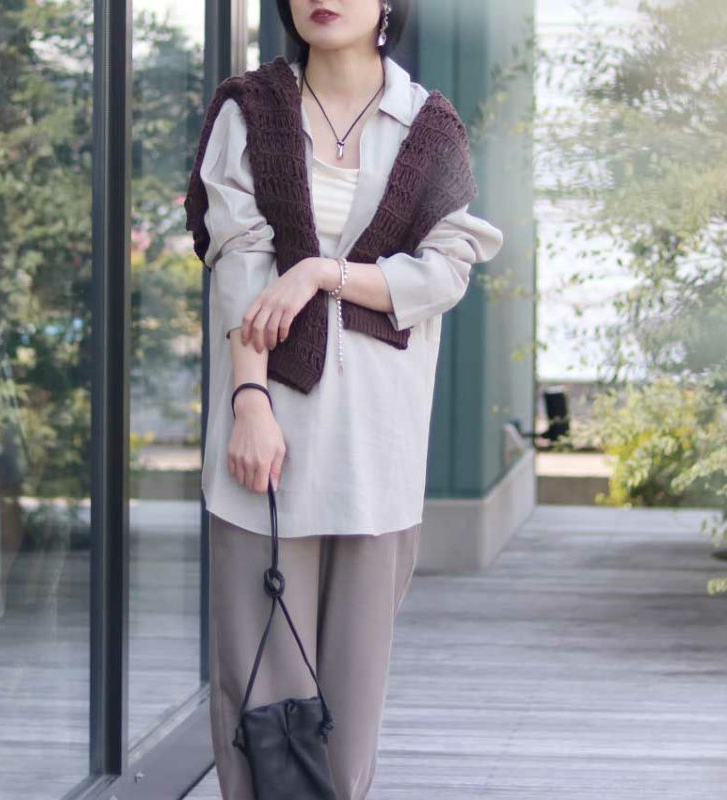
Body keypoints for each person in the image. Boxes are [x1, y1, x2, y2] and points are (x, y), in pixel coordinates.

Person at [188, 1, 504, 797]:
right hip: (266, 438)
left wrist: (321, 272)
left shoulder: (428, 125)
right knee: (261, 700)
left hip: (376, 446)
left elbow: (446, 268)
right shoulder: (250, 110)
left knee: (350, 709)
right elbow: (238, 263)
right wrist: (249, 403)